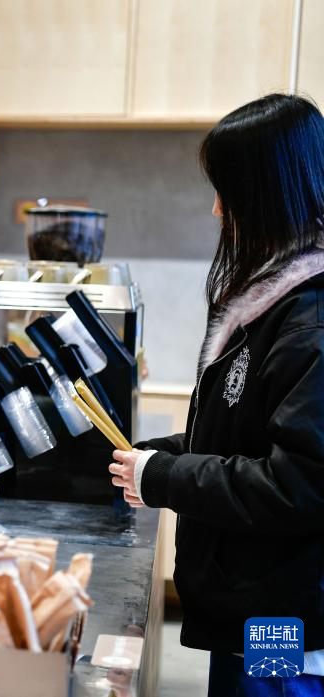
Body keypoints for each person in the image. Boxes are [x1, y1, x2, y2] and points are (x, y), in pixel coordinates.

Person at [108, 94, 324, 695]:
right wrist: (159, 456)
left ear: (266, 192)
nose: (217, 209)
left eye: (226, 191)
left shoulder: (310, 322)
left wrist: (166, 478)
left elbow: (298, 485)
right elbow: (244, 435)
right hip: (252, 607)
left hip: (283, 624)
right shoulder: (274, 305)